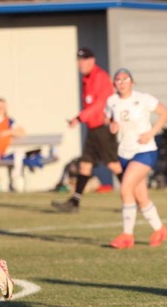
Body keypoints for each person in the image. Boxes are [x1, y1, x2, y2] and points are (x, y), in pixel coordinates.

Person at [105, 68, 167, 249]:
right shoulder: (111, 101)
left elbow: (165, 113)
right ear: (114, 84)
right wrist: (112, 127)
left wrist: (150, 133)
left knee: (125, 188)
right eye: (118, 80)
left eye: (125, 79)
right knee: (141, 196)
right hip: (124, 152)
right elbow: (109, 121)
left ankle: (127, 235)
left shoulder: (143, 98)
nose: (122, 83)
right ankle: (160, 229)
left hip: (144, 150)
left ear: (132, 82)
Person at [51, 47, 121, 213]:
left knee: (113, 165)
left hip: (103, 128)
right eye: (79, 61)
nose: (80, 64)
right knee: (85, 165)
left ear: (92, 61)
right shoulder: (87, 79)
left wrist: (80, 118)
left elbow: (100, 104)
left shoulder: (100, 77)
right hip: (92, 128)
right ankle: (74, 203)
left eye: (83, 60)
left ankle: (136, 199)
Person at [0, 97, 25, 162]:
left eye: (0, 107)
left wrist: (8, 132)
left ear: (5, 108)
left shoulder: (9, 121)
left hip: (0, 151)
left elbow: (21, 132)